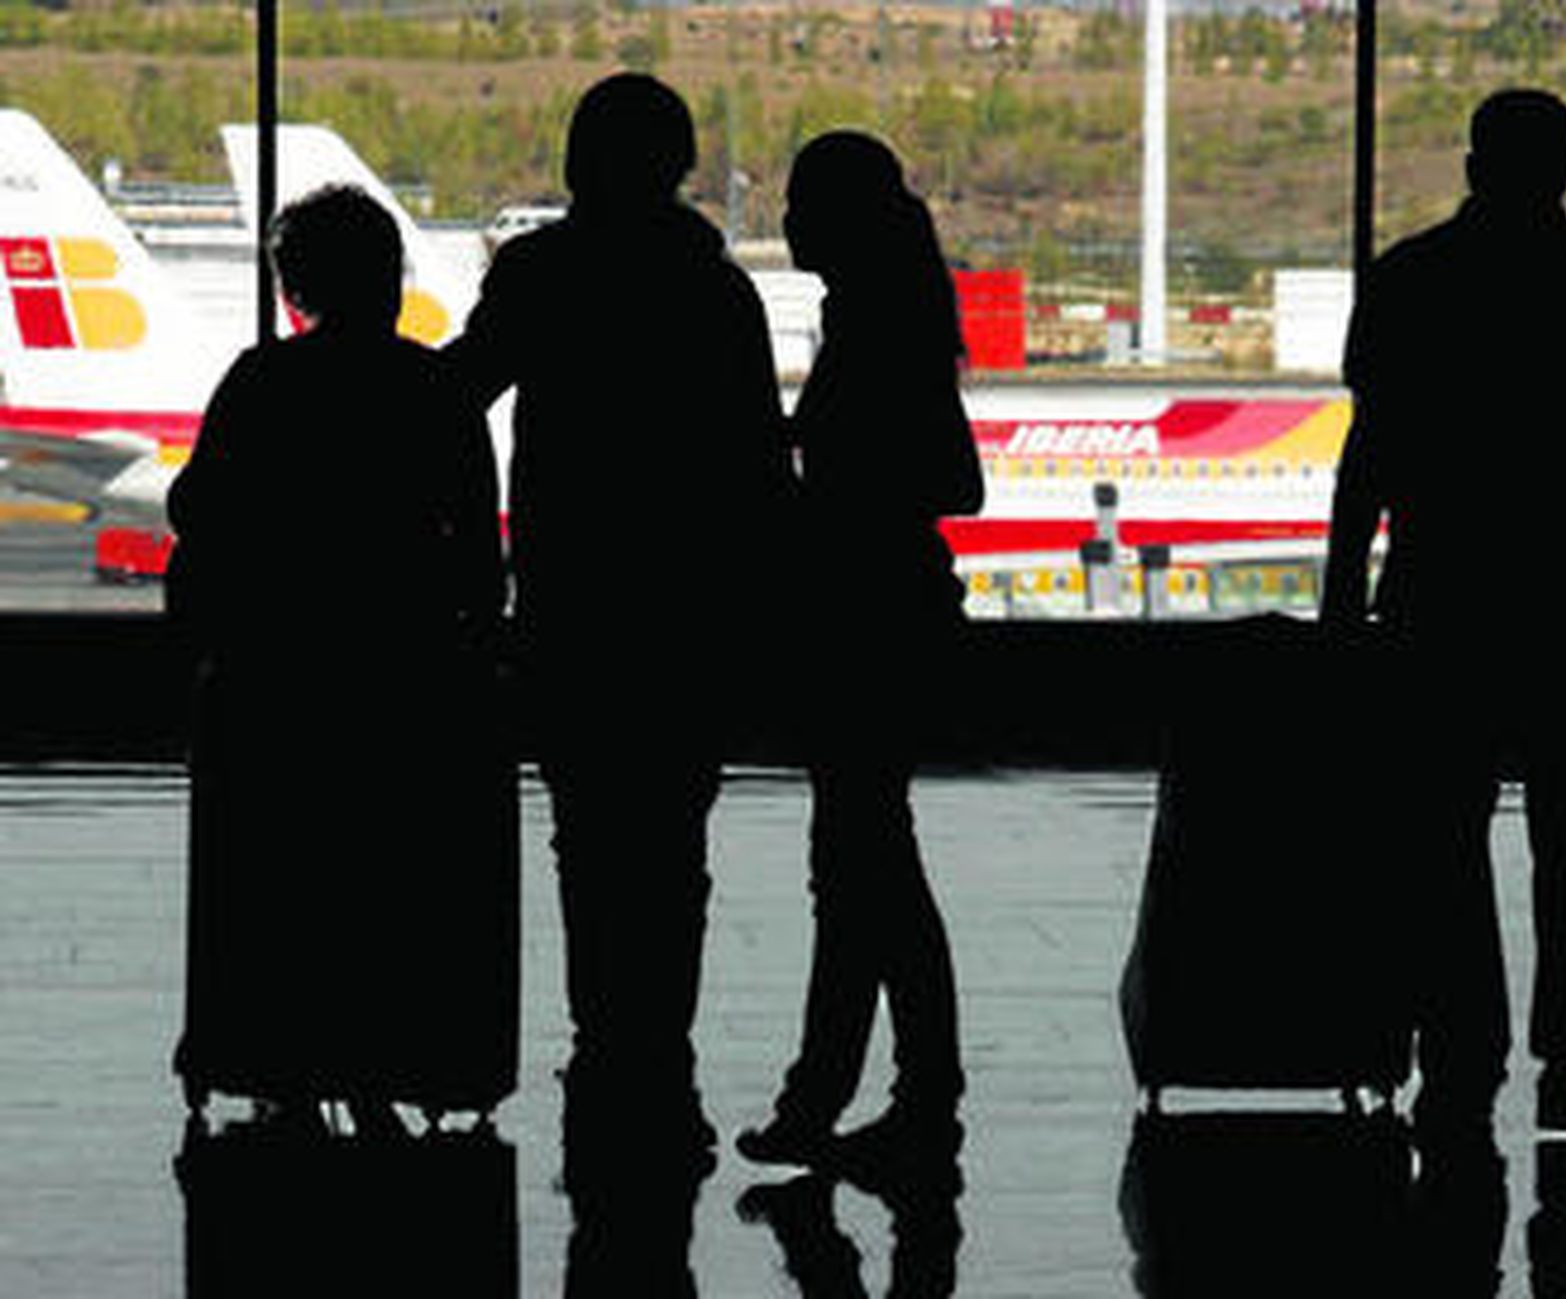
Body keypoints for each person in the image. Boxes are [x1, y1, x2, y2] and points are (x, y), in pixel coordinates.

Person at [446, 73, 794, 1167]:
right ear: (678, 165)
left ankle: (605, 1043)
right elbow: (757, 469)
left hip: (573, 604)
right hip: (690, 615)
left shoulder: (540, 274)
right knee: (672, 847)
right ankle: (658, 1050)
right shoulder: (718, 292)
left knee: (588, 841)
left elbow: (459, 392)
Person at [168, 184, 516, 1137]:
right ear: (389, 279)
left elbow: (200, 507)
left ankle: (281, 1058)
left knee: (284, 881)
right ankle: (387, 1059)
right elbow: (476, 552)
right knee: (393, 885)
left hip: (282, 675)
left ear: (296, 288)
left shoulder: (262, 381)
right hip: (407, 677)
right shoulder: (434, 391)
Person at [1322, 87, 1566, 1130]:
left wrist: (1341, 599)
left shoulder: (1410, 280)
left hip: (1441, 597)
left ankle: (1460, 1045)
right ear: (1565, 168)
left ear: (1474, 165)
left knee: (1439, 837)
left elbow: (1368, 457)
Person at [737, 131, 982, 1180]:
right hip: (889, 616)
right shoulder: (893, 316)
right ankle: (872, 1097)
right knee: (864, 867)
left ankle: (883, 1097)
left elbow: (947, 478)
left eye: (801, 203)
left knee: (861, 870)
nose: (787, 220)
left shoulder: (876, 329)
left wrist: (816, 482)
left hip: (863, 624)